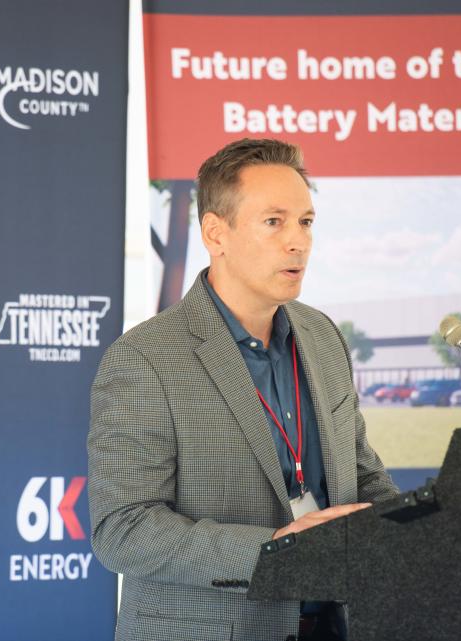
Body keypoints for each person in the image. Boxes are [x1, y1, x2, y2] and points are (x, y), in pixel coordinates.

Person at [88, 138, 399, 641]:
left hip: (333, 626)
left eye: (306, 221)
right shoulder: (145, 358)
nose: (298, 241)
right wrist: (278, 549)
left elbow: (361, 473)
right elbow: (123, 529)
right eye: (274, 222)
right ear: (216, 233)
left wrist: (412, 531)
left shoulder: (322, 335)